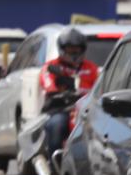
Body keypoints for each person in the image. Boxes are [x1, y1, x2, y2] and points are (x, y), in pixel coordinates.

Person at [39, 27, 101, 161]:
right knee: (57, 125)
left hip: (87, 110)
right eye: (69, 48)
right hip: (61, 109)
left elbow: (100, 87)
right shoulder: (51, 66)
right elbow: (48, 84)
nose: (73, 52)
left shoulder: (91, 68)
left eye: (77, 49)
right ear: (62, 48)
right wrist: (58, 91)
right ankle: (54, 165)